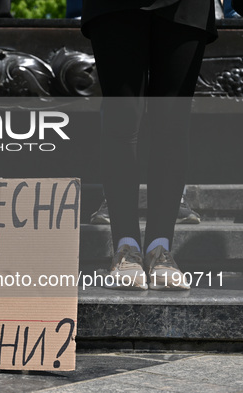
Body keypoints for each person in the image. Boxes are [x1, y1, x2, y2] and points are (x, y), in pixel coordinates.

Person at [81, 1, 217, 290]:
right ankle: (126, 248)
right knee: (122, 120)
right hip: (116, 7)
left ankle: (160, 250)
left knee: (173, 123)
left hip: (185, 5)